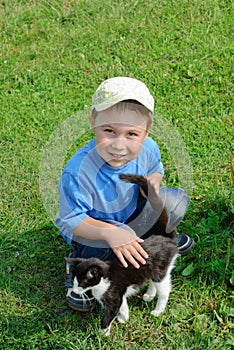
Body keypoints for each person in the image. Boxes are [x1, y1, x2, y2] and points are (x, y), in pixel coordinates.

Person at [56, 77, 195, 312]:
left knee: (173, 202)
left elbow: (155, 169)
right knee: (100, 253)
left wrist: (154, 182)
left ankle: (160, 244)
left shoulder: (148, 147)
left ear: (146, 132)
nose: (119, 146)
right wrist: (111, 233)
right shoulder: (78, 172)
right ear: (93, 123)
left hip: (130, 213)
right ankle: (78, 266)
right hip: (94, 227)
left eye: (132, 134)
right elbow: (72, 220)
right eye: (109, 131)